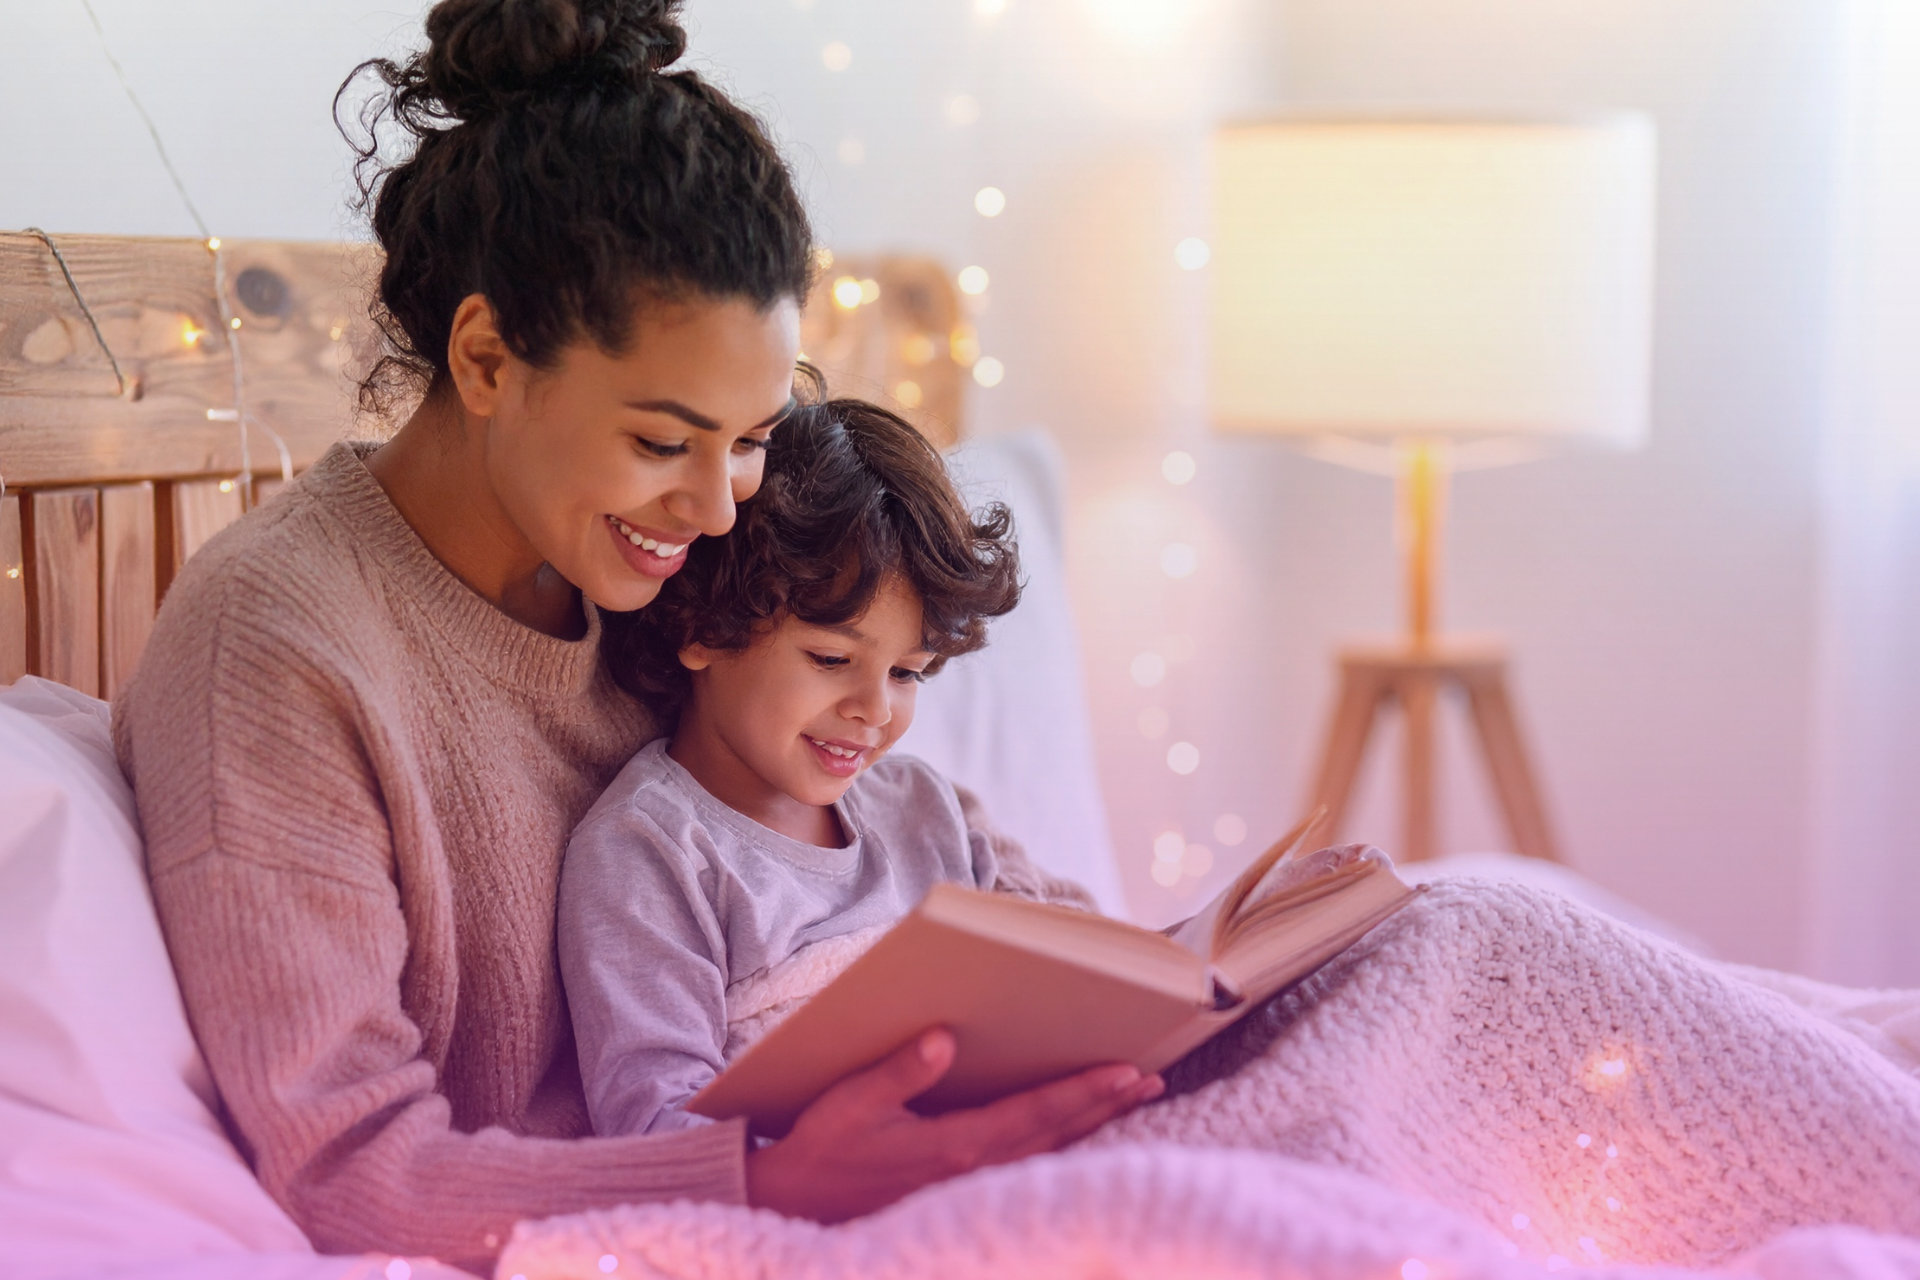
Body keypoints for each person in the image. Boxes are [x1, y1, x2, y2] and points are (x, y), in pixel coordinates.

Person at [111, 0, 1154, 1270]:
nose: (717, 508)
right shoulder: (276, 649)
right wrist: (759, 1181)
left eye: (751, 438)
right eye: (664, 440)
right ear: (486, 359)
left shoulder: (692, 568)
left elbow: (961, 863)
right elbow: (349, 1169)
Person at [559, 399, 1131, 1139]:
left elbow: (1082, 955)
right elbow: (652, 1123)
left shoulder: (924, 805)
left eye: (907, 673)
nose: (874, 710)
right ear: (703, 627)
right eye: (832, 659)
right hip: (833, 1185)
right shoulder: (651, 851)